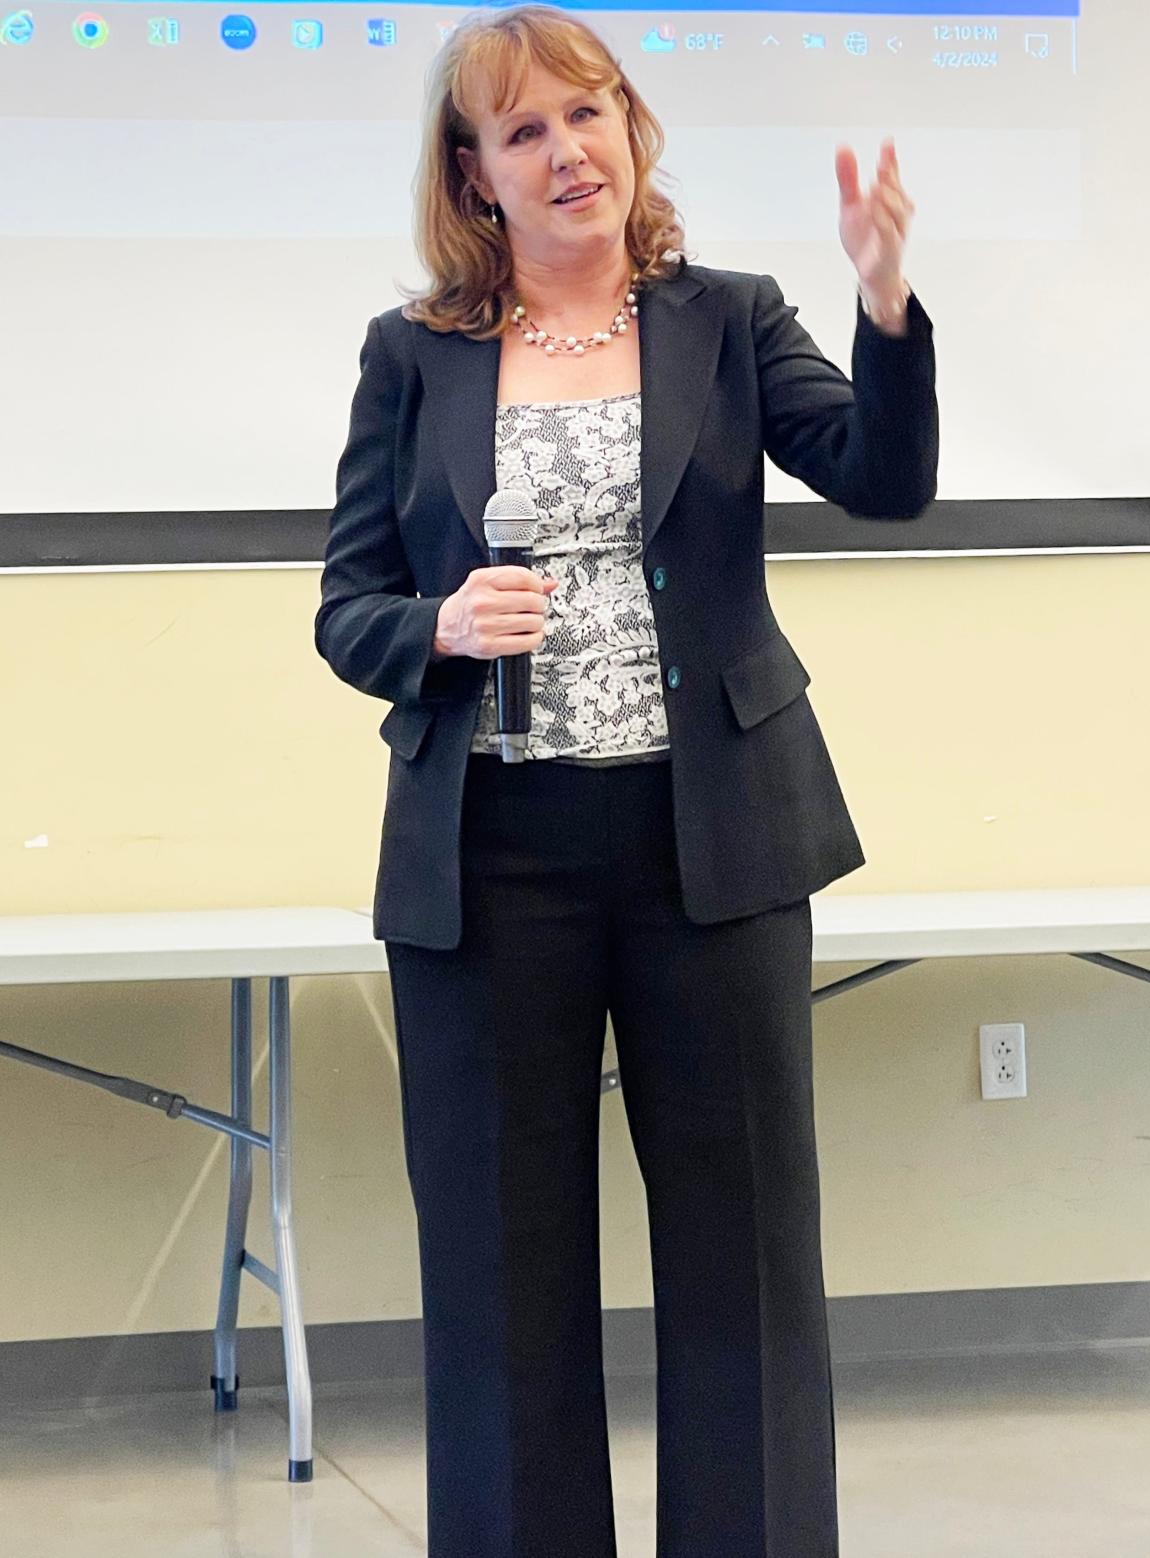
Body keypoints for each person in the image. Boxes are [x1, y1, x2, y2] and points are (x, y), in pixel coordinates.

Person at [314, 5, 937, 1554]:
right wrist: (440, 625)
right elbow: (347, 610)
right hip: (491, 852)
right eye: (523, 130)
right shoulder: (415, 355)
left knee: (743, 1259)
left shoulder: (727, 316)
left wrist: (883, 298)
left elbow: (882, 475)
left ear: (630, 128)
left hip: (709, 842)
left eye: (586, 113)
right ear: (474, 175)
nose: (565, 150)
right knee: (498, 1274)